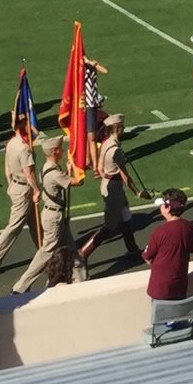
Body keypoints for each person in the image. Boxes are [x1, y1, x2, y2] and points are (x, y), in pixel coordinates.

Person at [79, 115, 147, 269]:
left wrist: (108, 175)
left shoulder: (106, 143)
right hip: (114, 188)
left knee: (125, 216)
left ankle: (132, 249)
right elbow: (125, 176)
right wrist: (137, 192)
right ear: (117, 129)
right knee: (109, 225)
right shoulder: (115, 150)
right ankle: (83, 253)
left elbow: (100, 168)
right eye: (122, 126)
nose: (123, 128)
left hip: (107, 184)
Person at [12, 137, 78, 294]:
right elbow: (76, 181)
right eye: (61, 149)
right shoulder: (54, 173)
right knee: (46, 253)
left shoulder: (47, 168)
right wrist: (75, 166)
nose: (62, 150)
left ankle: (79, 278)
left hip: (54, 215)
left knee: (71, 250)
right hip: (54, 217)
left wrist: (67, 169)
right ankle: (21, 286)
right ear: (55, 152)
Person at [0, 116, 38, 271]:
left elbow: (7, 167)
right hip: (25, 189)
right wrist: (37, 190)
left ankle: (45, 250)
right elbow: (29, 173)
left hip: (15, 186)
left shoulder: (11, 143)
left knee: (34, 221)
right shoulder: (24, 147)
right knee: (15, 225)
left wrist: (10, 183)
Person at [143, 189, 193, 302]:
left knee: (160, 317)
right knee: (179, 317)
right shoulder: (189, 227)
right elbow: (191, 248)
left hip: (160, 287)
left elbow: (147, 256)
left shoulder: (159, 232)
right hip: (180, 285)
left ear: (168, 207)